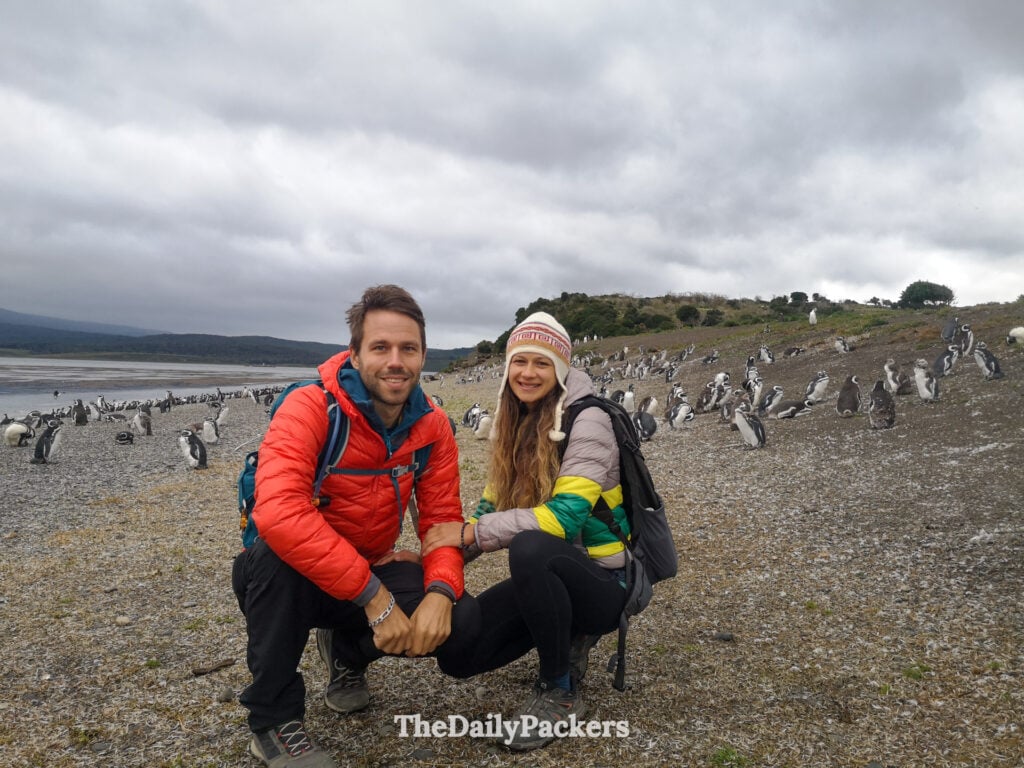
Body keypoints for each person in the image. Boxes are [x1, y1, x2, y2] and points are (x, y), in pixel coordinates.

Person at [232, 284, 478, 768]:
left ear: (423, 355)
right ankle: (272, 721)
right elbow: (278, 512)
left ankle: (347, 654)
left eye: (408, 349)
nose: (395, 361)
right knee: (275, 557)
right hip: (289, 577)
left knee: (463, 624)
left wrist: (441, 592)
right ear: (355, 352)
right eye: (380, 347)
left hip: (364, 572)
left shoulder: (432, 427)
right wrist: (375, 598)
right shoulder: (310, 408)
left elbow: (442, 522)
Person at [422, 311, 630, 751]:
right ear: (508, 367)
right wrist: (439, 559)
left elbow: (565, 519)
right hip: (552, 574)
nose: (528, 373)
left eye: (542, 362)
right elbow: (491, 506)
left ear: (560, 367)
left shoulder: (588, 421)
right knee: (459, 656)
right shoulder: (516, 419)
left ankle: (560, 690)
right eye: (520, 361)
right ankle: (562, 633)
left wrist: (471, 536)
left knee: (533, 547)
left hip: (607, 581)